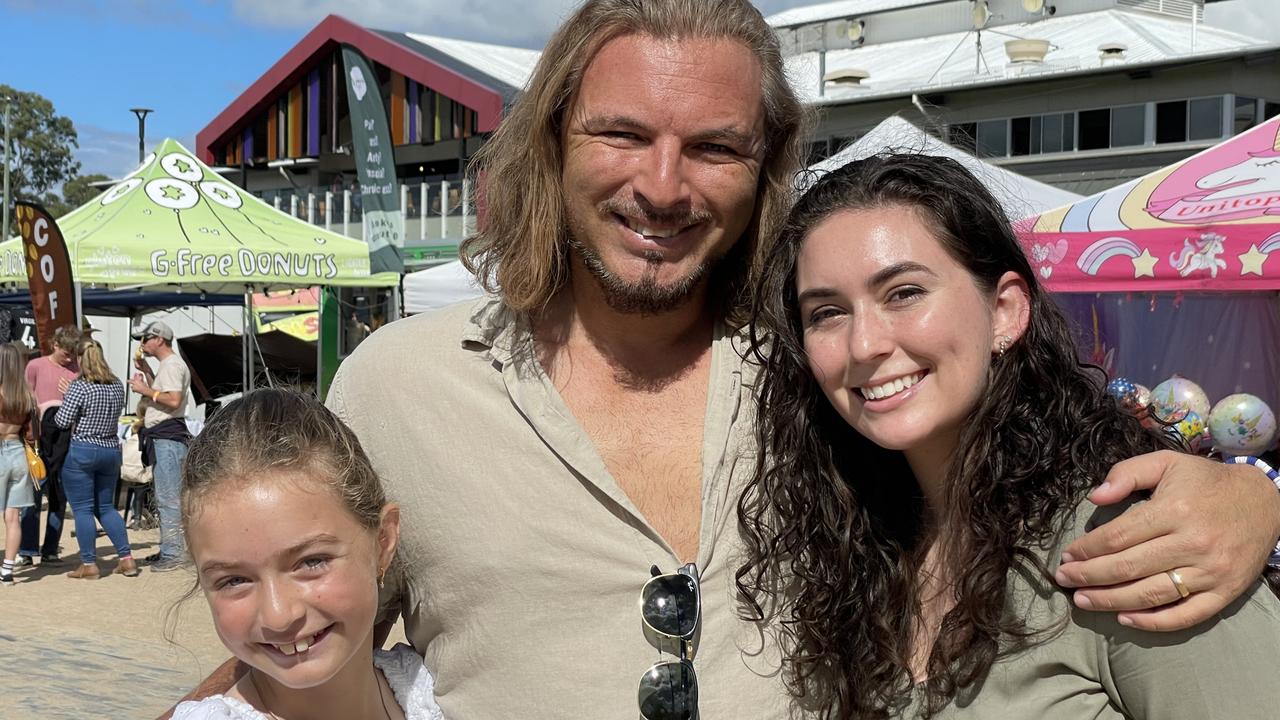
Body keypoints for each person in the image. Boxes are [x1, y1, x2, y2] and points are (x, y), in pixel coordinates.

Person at [177, 2, 1280, 718]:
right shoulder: (398, 384)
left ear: (764, 172)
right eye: (619, 134)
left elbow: (1029, 443)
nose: (662, 186)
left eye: (713, 147)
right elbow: (298, 634)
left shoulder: (821, 373)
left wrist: (1246, 493)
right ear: (549, 142)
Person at [737, 153, 1280, 718]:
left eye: (904, 293)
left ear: (1004, 311)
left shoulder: (1133, 539)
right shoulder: (853, 550)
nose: (864, 344)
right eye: (827, 312)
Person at [172, 389, 442, 720]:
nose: (278, 615)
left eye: (311, 562)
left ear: (382, 541)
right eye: (234, 580)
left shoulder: (423, 688)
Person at [55, 339, 136, 580]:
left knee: (82, 509)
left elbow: (61, 421)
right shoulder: (117, 385)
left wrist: (66, 395)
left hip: (83, 448)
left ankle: (89, 563)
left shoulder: (79, 386)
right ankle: (127, 559)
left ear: (80, 359)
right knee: (106, 507)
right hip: (110, 449)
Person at [128, 320, 192, 572]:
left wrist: (144, 388)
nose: (142, 344)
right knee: (168, 496)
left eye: (145, 339)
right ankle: (171, 548)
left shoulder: (173, 365)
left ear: (159, 340)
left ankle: (173, 553)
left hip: (168, 438)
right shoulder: (168, 365)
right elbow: (166, 393)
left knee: (169, 498)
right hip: (165, 437)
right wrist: (148, 372)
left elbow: (173, 399)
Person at [17, 324, 81, 567]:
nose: (69, 358)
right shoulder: (36, 366)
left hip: (66, 443)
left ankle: (50, 549)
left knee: (58, 497)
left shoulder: (77, 371)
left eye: (73, 354)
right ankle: (26, 549)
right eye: (66, 353)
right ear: (55, 345)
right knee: (31, 497)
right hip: (38, 440)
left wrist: (73, 392)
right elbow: (26, 397)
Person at [0, 342, 36, 586]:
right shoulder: (27, 395)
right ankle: (8, 569)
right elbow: (32, 434)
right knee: (14, 517)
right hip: (19, 454)